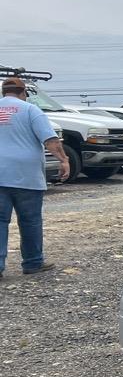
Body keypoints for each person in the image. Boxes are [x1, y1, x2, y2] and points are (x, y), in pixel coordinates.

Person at [0, 76, 70, 278]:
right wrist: (64, 160)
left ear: (4, 92)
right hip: (26, 176)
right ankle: (32, 262)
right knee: (30, 220)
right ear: (24, 93)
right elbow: (50, 140)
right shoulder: (31, 110)